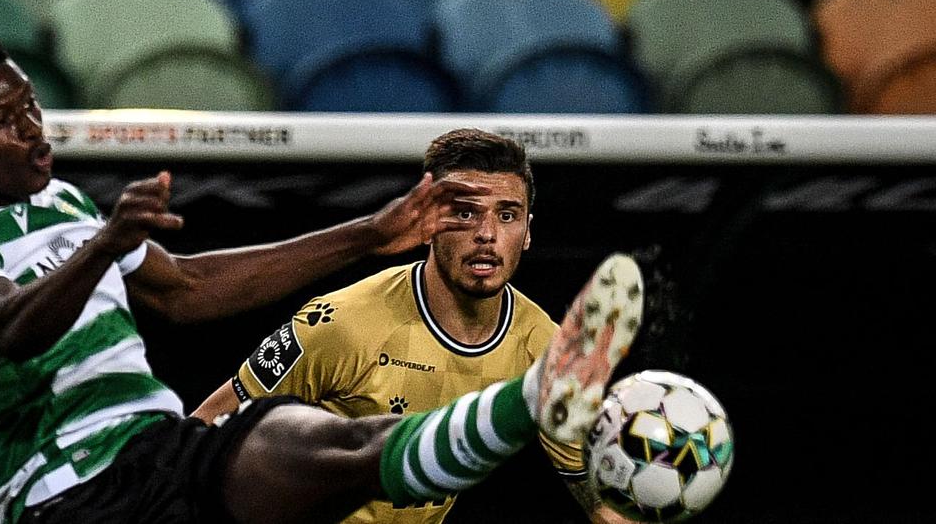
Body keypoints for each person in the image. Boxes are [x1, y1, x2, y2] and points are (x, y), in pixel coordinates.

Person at [0, 32, 644, 524]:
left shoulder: (62, 203)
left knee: (336, 444)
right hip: (62, 498)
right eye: (2, 121)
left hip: (160, 450)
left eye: (31, 106)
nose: (32, 130)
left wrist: (368, 234)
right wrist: (104, 243)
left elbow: (185, 290)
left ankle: (530, 399)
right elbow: (11, 330)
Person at [192, 128, 632, 524]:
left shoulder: (542, 345)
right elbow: (201, 430)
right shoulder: (340, 323)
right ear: (428, 226)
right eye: (464, 213)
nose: (486, 234)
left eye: (506, 215)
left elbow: (597, 498)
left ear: (528, 232)